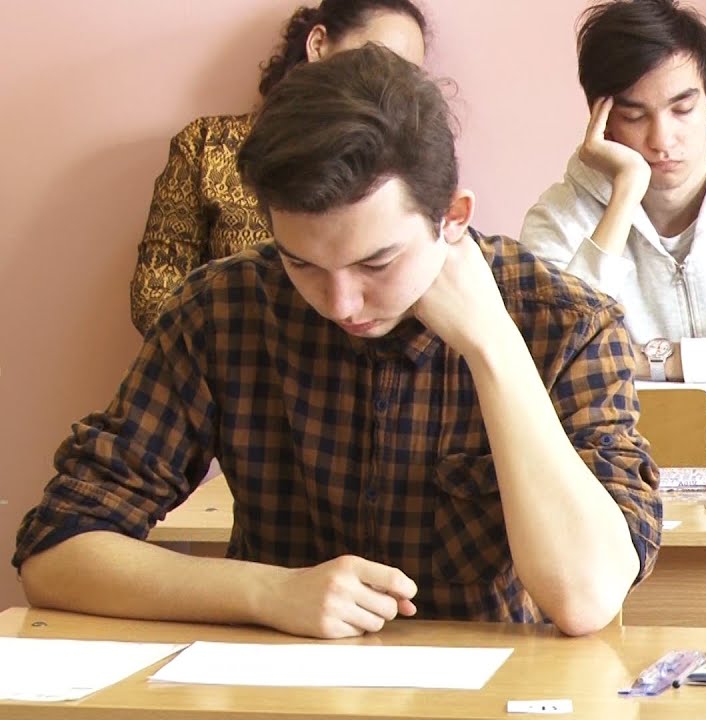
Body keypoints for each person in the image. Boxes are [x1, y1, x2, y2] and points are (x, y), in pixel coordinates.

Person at [16, 45, 661, 639]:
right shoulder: (223, 309)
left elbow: (586, 597)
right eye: (301, 264)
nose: (341, 303)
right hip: (275, 694)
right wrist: (269, 592)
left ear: (453, 218)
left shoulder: (566, 322)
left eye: (376, 264)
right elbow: (57, 548)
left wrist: (492, 347)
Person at [519, 0, 706, 385]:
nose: (661, 140)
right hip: (619, 442)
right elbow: (549, 358)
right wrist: (625, 194)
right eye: (634, 116)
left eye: (682, 109)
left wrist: (657, 360)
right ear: (600, 118)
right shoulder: (559, 216)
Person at [128, 0, 430, 334]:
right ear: (318, 44)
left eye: (406, 75)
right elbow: (153, 296)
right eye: (375, 61)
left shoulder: (405, 170)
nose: (389, 87)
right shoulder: (206, 147)